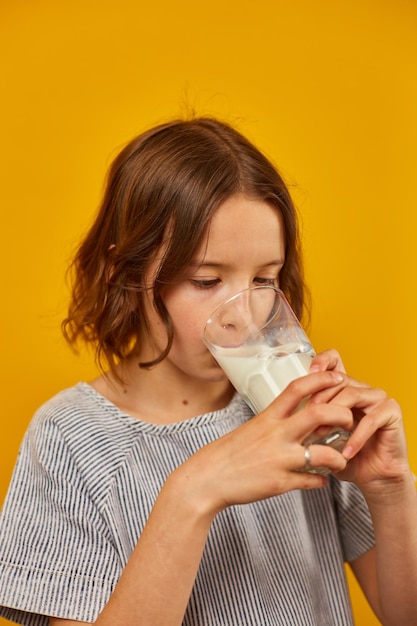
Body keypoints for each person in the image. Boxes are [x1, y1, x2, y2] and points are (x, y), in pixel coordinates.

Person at [0, 117, 416, 626]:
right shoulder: (70, 438)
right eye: (205, 280)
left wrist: (391, 489)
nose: (244, 316)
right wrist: (192, 494)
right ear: (124, 273)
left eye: (265, 279)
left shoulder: (302, 413)